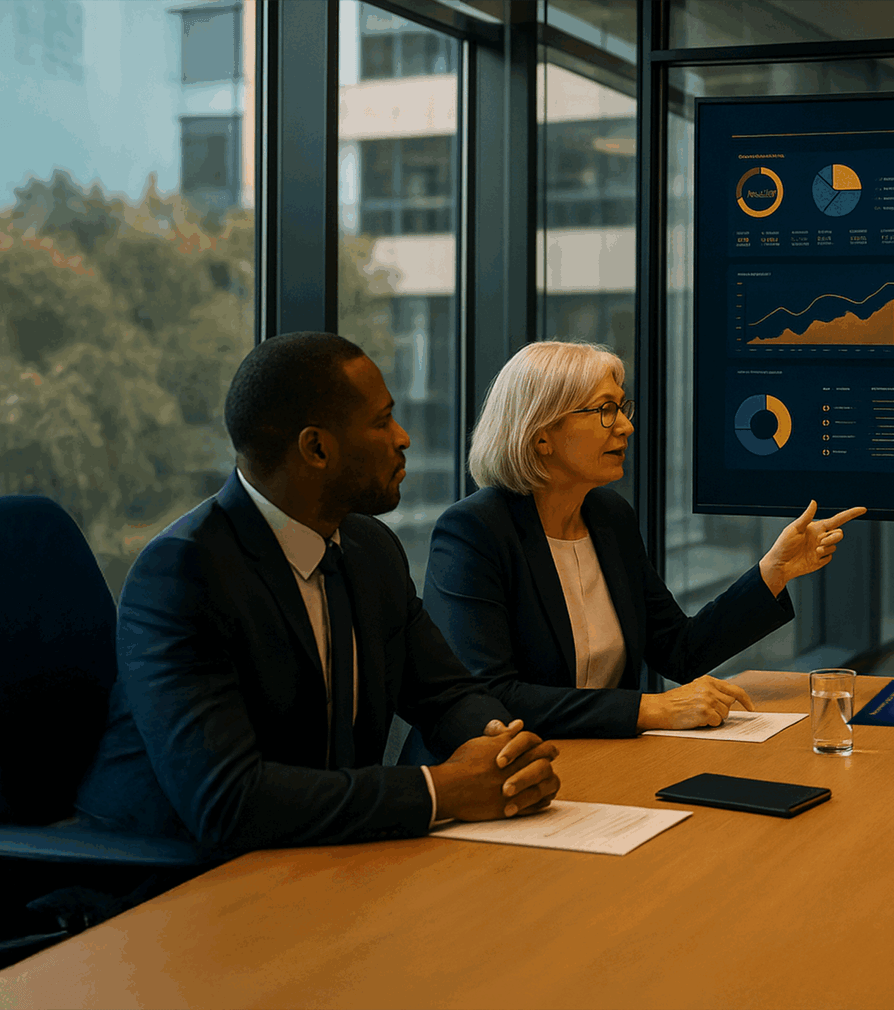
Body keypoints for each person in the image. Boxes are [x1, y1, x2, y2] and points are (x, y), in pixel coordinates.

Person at [76, 332, 562, 859]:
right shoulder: (184, 573)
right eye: (381, 421)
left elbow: (447, 694)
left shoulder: (369, 547)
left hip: (327, 850)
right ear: (316, 448)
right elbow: (227, 801)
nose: (403, 438)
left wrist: (499, 747)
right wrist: (441, 790)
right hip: (173, 880)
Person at [422, 341, 866, 738]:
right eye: (604, 411)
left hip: (599, 764)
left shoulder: (609, 518)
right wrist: (648, 708)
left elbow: (679, 650)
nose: (625, 427)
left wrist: (774, 571)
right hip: (491, 780)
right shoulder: (473, 531)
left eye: (621, 408)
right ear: (542, 436)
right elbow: (490, 696)